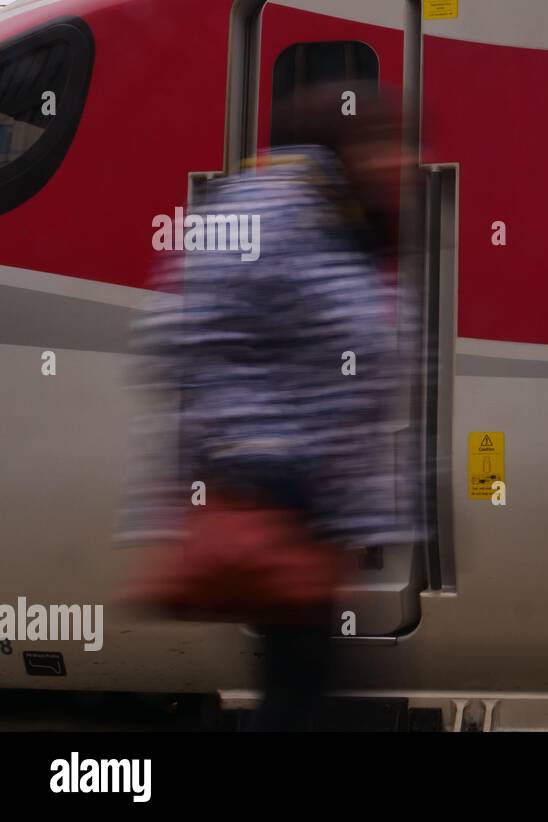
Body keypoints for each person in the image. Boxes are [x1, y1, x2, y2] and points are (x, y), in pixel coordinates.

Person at [116, 84, 418, 730]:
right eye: (387, 143)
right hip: (277, 502)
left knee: (305, 692)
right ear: (347, 142)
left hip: (315, 517)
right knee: (301, 695)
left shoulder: (341, 217)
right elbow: (183, 332)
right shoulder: (272, 207)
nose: (403, 162)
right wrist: (261, 458)